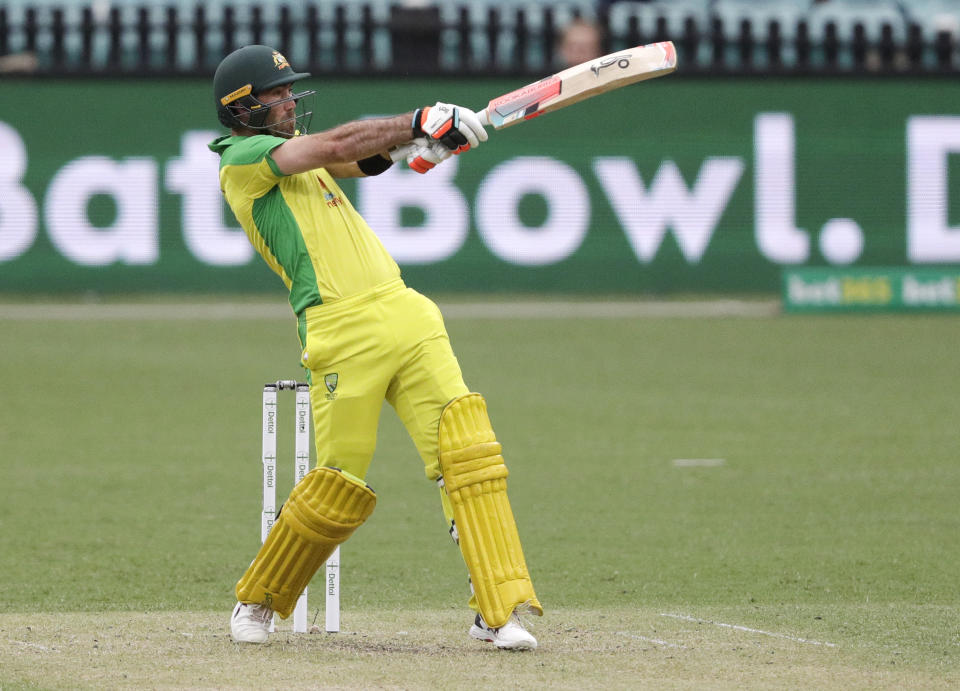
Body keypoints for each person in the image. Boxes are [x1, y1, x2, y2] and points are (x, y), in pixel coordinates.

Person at [208, 44, 543, 650]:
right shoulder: (245, 162)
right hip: (340, 329)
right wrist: (418, 120)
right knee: (339, 482)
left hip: (406, 311)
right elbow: (339, 145)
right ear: (242, 109)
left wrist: (422, 146)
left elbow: (360, 160)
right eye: (276, 95)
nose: (289, 101)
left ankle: (498, 610)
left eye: (289, 92)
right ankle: (257, 602)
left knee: (468, 454)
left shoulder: (291, 160)